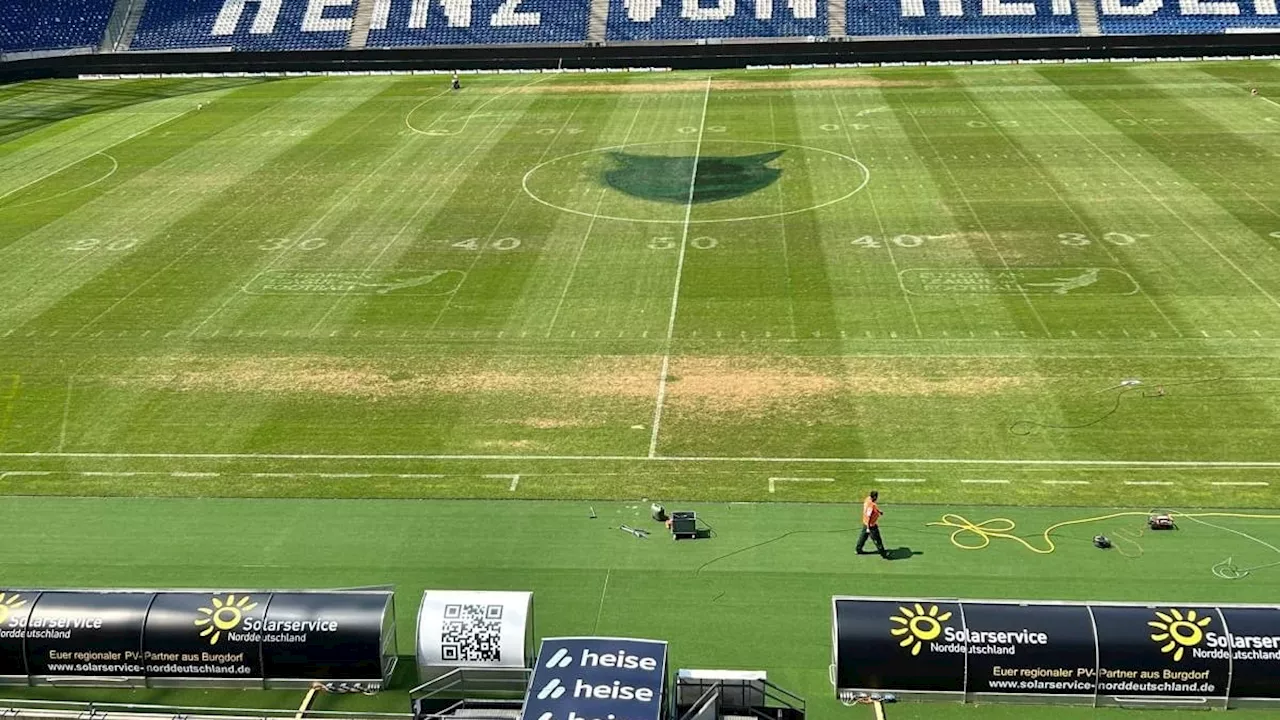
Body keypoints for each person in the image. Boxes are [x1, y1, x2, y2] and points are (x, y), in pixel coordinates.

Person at [856, 490, 887, 557]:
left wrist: (878, 511)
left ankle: (858, 549)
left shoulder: (867, 499)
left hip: (865, 523)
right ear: (875, 497)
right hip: (871, 525)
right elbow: (868, 516)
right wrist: (868, 527)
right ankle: (883, 553)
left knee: (863, 537)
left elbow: (872, 510)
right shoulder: (871, 505)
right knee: (877, 539)